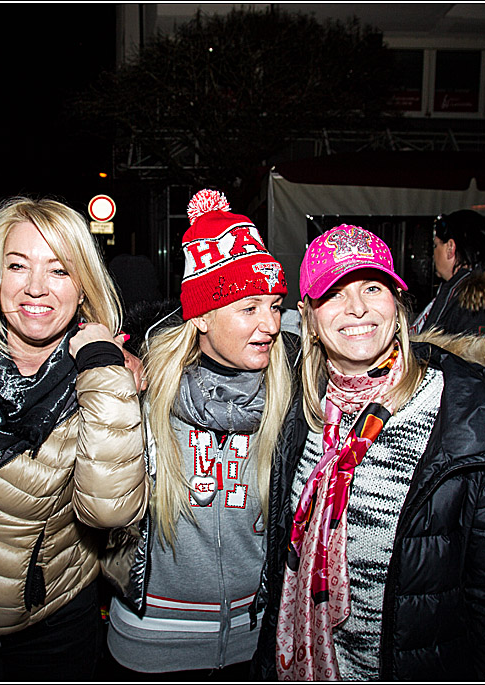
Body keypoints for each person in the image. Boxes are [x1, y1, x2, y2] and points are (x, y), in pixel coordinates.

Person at [254, 224, 485, 680]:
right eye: (334, 293)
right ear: (307, 315)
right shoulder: (297, 405)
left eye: (372, 287)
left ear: (398, 303)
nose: (357, 307)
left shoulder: (474, 417)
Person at [0, 196, 150, 681]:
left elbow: (109, 509)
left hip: (48, 623)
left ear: (83, 284)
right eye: (18, 266)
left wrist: (105, 368)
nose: (36, 288)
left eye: (59, 270)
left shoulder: (102, 377)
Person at [105, 189, 301, 677]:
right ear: (204, 318)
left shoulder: (294, 395)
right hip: (150, 643)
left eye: (275, 306)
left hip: (254, 644)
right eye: (249, 308)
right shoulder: (145, 393)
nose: (270, 324)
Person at [410, 209, 485, 337]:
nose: (433, 254)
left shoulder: (480, 302)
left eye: (436, 246)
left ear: (450, 248)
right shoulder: (456, 292)